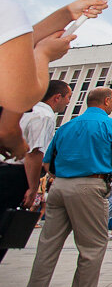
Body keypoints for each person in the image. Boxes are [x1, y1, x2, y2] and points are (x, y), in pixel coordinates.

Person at [0, 0, 110, 158]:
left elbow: (17, 39)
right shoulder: (7, 10)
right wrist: (43, 55)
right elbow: (21, 98)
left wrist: (68, 13)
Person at [19, 87, 112, 287]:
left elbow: (47, 161)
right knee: (92, 247)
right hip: (90, 185)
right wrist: (110, 179)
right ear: (107, 101)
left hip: (59, 187)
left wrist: (62, 179)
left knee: (47, 248)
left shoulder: (66, 126)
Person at [0, 80, 71, 257]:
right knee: (4, 227)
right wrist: (32, 188)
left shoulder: (21, 110)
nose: (69, 102)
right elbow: (35, 154)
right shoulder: (44, 116)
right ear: (57, 97)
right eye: (68, 97)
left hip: (5, 169)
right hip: (15, 174)